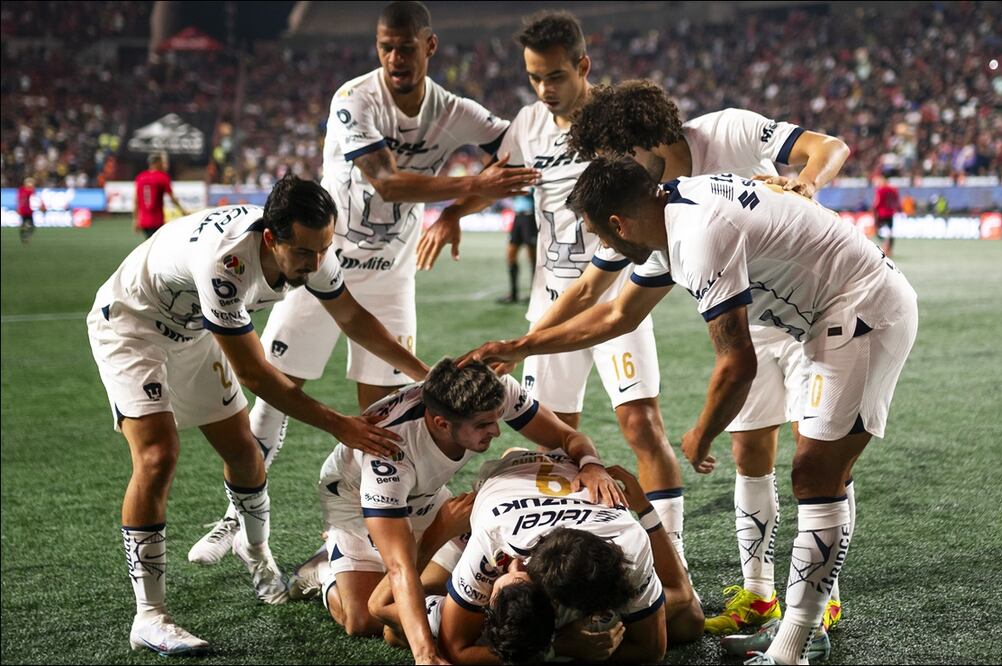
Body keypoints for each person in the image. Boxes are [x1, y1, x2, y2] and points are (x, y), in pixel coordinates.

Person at [464, 156, 919, 665]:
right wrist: (521, 345)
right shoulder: (669, 214)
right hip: (829, 314)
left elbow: (737, 362)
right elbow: (616, 314)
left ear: (617, 224)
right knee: (825, 471)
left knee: (815, 472)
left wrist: (701, 434)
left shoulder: (697, 235)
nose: (606, 249)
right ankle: (803, 625)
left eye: (601, 235)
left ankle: (792, 649)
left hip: (863, 308)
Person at [188, 0, 536, 565]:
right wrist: (474, 183)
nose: (395, 57)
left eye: (405, 46)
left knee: (388, 414)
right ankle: (236, 519)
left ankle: (363, 533)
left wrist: (455, 213)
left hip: (392, 278)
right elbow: (388, 182)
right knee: (279, 389)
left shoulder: (455, 112)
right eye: (385, 46)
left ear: (430, 46)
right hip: (324, 268)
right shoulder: (354, 99)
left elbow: (514, 159)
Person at [86, 174, 429, 656]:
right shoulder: (225, 264)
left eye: (324, 249)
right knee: (159, 455)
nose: (316, 264)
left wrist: (424, 373)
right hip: (132, 325)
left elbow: (352, 318)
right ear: (271, 238)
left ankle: (255, 550)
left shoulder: (314, 252)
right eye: (305, 253)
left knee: (246, 453)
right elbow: (256, 375)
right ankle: (149, 616)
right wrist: (342, 425)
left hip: (191, 334)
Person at [563, 79, 852, 637]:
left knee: (816, 453)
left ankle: (823, 599)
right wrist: (519, 345)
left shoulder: (727, 130)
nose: (612, 167)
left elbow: (829, 146)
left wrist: (805, 182)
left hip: (807, 302)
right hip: (747, 317)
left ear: (638, 142)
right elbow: (596, 295)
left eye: (614, 154)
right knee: (749, 450)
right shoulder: (643, 202)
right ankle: (761, 595)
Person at [417, 10, 690, 571]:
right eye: (535, 77)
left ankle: (670, 559)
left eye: (556, 77)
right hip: (552, 299)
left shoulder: (616, 125)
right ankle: (555, 556)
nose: (544, 90)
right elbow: (499, 177)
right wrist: (453, 212)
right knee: (556, 436)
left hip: (615, 294)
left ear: (583, 66)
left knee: (640, 422)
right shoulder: (527, 123)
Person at [303, 358, 622, 665]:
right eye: (484, 424)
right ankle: (324, 567)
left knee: (435, 594)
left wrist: (591, 465)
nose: (496, 431)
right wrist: (425, 655)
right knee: (361, 619)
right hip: (356, 500)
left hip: (425, 491)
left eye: (497, 418)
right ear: (441, 422)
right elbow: (400, 566)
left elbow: (566, 436)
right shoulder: (388, 455)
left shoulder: (490, 389)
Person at [437, 451, 704, 664]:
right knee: (420, 605)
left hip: (561, 477)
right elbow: (455, 650)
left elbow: (653, 649)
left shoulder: (628, 540)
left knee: (688, 622)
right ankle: (518, 453)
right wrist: (559, 648)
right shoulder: (496, 541)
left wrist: (645, 509)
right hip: (510, 476)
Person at [133, 152, 188, 238]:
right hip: (156, 221)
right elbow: (172, 198)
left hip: (144, 221)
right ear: (157, 163)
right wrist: (183, 211)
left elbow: (136, 200)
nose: (165, 165)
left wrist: (136, 219)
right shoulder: (162, 177)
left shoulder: (140, 177)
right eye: (163, 162)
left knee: (150, 243)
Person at [498, 193, 537, 304]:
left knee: (532, 258)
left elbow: (530, 191)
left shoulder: (534, 177)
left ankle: (534, 294)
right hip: (517, 216)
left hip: (530, 216)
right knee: (510, 255)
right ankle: (513, 293)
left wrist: (517, 188)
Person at [873, 175, 900, 257]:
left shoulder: (881, 190)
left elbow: (877, 203)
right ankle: (889, 249)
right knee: (890, 232)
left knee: (880, 232)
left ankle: (885, 248)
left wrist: (874, 211)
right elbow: (896, 201)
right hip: (890, 213)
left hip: (882, 214)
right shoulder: (894, 190)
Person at [16, 177, 44, 244]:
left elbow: (34, 200)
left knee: (29, 225)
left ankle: (25, 236)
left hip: (29, 210)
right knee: (27, 224)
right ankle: (24, 236)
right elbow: (21, 200)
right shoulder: (25, 190)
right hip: (25, 210)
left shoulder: (28, 190)